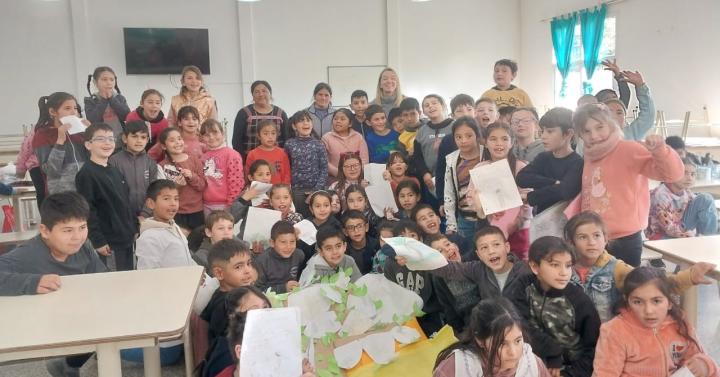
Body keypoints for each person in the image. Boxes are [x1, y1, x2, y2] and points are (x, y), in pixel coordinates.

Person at [0, 192, 106, 376]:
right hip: (39, 326)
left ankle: (67, 364)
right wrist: (32, 282)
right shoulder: (28, 254)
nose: (77, 237)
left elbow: (101, 278)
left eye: (82, 227)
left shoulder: (84, 246)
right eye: (67, 230)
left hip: (77, 318)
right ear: (45, 231)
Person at [573, 103, 683, 266]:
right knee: (596, 288)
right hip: (594, 237)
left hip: (624, 238)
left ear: (611, 125)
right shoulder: (591, 155)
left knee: (626, 288)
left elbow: (672, 174)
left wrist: (660, 150)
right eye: (587, 131)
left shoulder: (628, 149)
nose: (594, 135)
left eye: (599, 127)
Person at [565, 211, 715, 322]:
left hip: (606, 341)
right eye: (582, 237)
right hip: (573, 343)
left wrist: (690, 276)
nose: (591, 242)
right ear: (572, 242)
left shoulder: (616, 268)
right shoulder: (564, 269)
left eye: (596, 236)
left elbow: (656, 283)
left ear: (605, 239)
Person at [593, 267, 719, 377]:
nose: (648, 311)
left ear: (669, 302)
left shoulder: (680, 323)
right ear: (628, 302)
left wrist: (704, 365)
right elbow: (604, 374)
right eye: (638, 302)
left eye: (656, 301)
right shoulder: (614, 331)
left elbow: (699, 358)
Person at [509, 236, 600, 377]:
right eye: (555, 265)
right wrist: (553, 351)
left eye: (568, 265)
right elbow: (520, 325)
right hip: (532, 364)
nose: (564, 272)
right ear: (534, 266)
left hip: (572, 369)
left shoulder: (579, 301)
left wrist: (569, 374)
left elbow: (594, 349)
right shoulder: (523, 287)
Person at [209, 288, 316, 377]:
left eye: (265, 307)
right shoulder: (223, 359)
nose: (266, 314)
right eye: (255, 312)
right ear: (241, 352)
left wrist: (296, 370)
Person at [433, 298, 552, 377]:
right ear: (480, 341)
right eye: (501, 343)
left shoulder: (532, 366)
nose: (513, 353)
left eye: (518, 341)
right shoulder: (456, 369)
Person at [75, 123, 137, 271]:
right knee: (114, 284)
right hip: (109, 242)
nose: (107, 143)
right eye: (101, 139)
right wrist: (98, 241)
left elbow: (125, 203)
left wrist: (133, 228)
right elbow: (88, 210)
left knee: (128, 279)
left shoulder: (114, 170)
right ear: (88, 145)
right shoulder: (86, 174)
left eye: (111, 139)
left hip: (125, 238)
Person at [421, 226, 532, 306]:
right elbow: (449, 269)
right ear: (478, 254)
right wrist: (413, 257)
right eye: (484, 248)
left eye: (496, 244)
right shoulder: (477, 269)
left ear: (507, 247)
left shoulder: (525, 271)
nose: (491, 251)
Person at [473, 123, 532, 260]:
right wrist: (481, 207)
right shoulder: (480, 168)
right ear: (485, 143)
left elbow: (529, 198)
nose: (499, 143)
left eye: (504, 139)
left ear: (512, 143)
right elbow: (471, 196)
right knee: (495, 262)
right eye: (493, 139)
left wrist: (516, 222)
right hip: (491, 228)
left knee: (519, 265)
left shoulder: (521, 167)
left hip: (520, 229)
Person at [516, 107, 583, 213]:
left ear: (568, 133)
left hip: (566, 222)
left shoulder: (577, 162)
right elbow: (522, 178)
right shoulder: (543, 158)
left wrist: (530, 196)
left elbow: (564, 191)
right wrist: (553, 182)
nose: (543, 136)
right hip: (541, 218)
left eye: (550, 131)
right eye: (543, 131)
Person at [201, 239, 256, 346]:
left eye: (248, 263)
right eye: (238, 267)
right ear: (219, 273)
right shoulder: (227, 306)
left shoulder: (232, 294)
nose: (248, 270)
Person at [647, 157, 718, 239]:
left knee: (705, 199)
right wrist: (692, 236)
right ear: (671, 173)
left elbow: (701, 207)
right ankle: (705, 240)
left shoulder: (685, 191)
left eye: (692, 174)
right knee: (705, 199)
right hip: (661, 235)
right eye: (684, 173)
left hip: (679, 229)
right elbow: (668, 228)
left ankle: (709, 238)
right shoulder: (660, 195)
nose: (690, 178)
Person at [32, 92, 89, 194]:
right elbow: (50, 170)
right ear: (53, 112)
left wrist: (92, 134)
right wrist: (60, 141)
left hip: (85, 191)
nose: (73, 112)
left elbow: (94, 159)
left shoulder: (80, 132)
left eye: (75, 108)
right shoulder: (42, 135)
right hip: (60, 195)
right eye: (67, 108)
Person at [425, 233, 480, 334]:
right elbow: (449, 310)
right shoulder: (439, 279)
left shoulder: (473, 262)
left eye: (447, 244)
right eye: (440, 251)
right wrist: (460, 332)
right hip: (468, 326)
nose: (447, 250)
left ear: (456, 246)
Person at [109, 120, 162, 218]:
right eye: (134, 136)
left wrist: (144, 214)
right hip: (123, 216)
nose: (139, 141)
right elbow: (113, 192)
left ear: (147, 139)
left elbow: (154, 191)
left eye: (143, 137)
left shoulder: (150, 162)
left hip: (147, 215)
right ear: (125, 138)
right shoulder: (114, 161)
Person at [444, 117, 486, 239]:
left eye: (469, 136)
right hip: (464, 218)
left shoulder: (488, 154)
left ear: (477, 135)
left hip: (487, 217)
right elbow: (449, 193)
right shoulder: (452, 160)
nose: (463, 140)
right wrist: (451, 224)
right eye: (458, 137)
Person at [157, 127, 207, 231]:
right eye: (172, 140)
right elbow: (162, 193)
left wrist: (191, 176)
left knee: (196, 242)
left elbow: (202, 185)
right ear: (163, 146)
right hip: (175, 212)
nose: (177, 142)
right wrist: (177, 186)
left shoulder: (193, 159)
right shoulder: (162, 166)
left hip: (196, 211)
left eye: (179, 139)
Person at [435, 94, 478, 205]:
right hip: (458, 199)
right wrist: (441, 200)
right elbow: (441, 171)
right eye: (460, 111)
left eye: (469, 109)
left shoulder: (483, 137)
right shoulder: (448, 141)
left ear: (475, 112)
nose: (465, 114)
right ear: (453, 116)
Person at [285, 110, 328, 217]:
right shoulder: (289, 144)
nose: (306, 123)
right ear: (294, 126)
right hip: (296, 191)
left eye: (308, 120)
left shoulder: (319, 144)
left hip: (316, 190)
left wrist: (316, 190)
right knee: (299, 219)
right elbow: (287, 167)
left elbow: (324, 169)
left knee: (317, 219)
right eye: (301, 121)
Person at [232, 80, 288, 160]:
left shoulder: (280, 113)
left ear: (270, 93)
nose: (261, 94)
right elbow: (236, 141)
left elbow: (287, 138)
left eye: (264, 91)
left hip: (277, 159)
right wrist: (243, 161)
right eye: (257, 92)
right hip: (252, 160)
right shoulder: (243, 113)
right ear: (252, 95)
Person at [411, 94, 453, 200]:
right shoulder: (421, 131)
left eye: (434, 103)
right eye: (426, 105)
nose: (431, 106)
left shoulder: (455, 126)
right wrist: (425, 173)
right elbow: (417, 156)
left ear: (443, 105)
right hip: (430, 180)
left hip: (453, 177)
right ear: (424, 112)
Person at [201, 119, 244, 213]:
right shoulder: (203, 156)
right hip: (206, 204)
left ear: (223, 134)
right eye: (207, 135)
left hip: (225, 204)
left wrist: (231, 204)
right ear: (202, 138)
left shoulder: (232, 155)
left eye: (215, 133)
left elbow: (236, 182)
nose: (211, 137)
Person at [83, 66, 130, 152]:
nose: (109, 83)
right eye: (104, 79)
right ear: (95, 82)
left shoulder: (119, 98)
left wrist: (112, 99)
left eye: (112, 80)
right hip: (101, 144)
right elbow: (93, 120)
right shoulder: (90, 100)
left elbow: (126, 116)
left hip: (121, 142)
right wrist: (104, 100)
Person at [602, 70, 655, 142]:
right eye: (610, 112)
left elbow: (648, 115)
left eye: (619, 113)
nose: (615, 116)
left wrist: (640, 86)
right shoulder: (595, 136)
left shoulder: (632, 132)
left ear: (625, 116)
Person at [254, 221, 305, 293]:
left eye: (292, 241)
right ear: (272, 243)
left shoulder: (299, 255)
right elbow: (257, 291)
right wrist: (283, 288)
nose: (288, 247)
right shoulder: (262, 262)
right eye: (283, 242)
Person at [322, 108, 369, 178]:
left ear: (350, 123)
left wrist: (356, 174)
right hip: (335, 178)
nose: (338, 121)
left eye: (342, 119)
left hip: (357, 178)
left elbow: (364, 159)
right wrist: (340, 174)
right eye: (335, 119)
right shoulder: (326, 138)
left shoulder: (358, 137)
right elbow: (324, 161)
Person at [245, 120, 291, 185]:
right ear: (258, 136)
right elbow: (248, 174)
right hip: (260, 191)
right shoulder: (252, 154)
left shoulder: (282, 152)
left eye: (273, 133)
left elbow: (287, 173)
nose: (270, 137)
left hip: (279, 190)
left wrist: (284, 187)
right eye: (265, 133)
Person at [341, 210, 379, 275]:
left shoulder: (376, 245)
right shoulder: (343, 250)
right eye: (350, 227)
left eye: (359, 226)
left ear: (366, 227)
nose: (356, 230)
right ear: (345, 232)